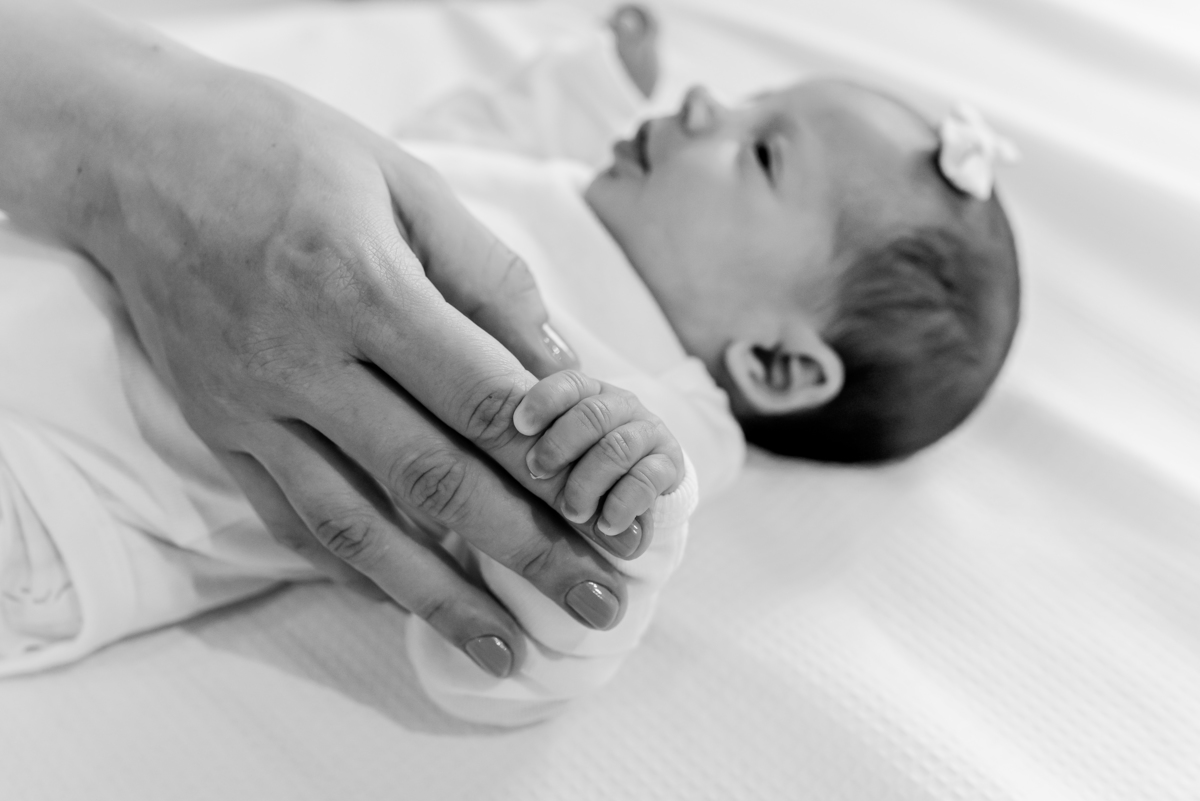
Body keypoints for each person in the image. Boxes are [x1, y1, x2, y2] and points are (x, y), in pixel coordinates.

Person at [0, 0, 657, 683]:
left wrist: (640, 508)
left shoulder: (660, 396)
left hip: (76, 487)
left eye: (764, 153)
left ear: (773, 363)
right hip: (47, 266)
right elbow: (457, 138)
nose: (704, 103)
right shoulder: (547, 179)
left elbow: (555, 599)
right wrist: (594, 84)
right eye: (748, 102)